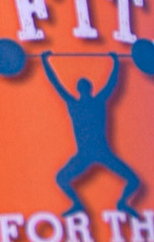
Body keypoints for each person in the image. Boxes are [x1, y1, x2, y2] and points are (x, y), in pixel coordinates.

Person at [41, 51, 141, 216]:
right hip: (86, 154)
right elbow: (56, 84)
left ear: (83, 90)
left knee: (134, 181)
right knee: (61, 178)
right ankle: (78, 204)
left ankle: (122, 203)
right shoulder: (83, 104)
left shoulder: (87, 103)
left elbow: (111, 83)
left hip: (101, 152)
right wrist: (115, 62)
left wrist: (116, 62)